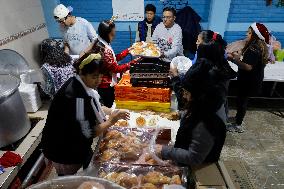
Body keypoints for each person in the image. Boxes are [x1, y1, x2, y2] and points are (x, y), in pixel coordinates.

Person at [41, 52, 130, 176]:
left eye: (101, 76)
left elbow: (94, 106)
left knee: (89, 161)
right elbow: (88, 133)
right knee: (69, 181)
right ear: (82, 72)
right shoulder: (76, 98)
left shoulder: (80, 84)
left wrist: (112, 112)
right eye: (94, 77)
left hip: (76, 143)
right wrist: (111, 121)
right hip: (64, 150)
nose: (98, 81)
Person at [154, 38, 230, 167]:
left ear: (199, 95)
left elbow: (194, 157)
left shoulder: (207, 121)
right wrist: (182, 114)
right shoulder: (206, 103)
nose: (183, 95)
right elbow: (194, 115)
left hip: (196, 166)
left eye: (187, 92)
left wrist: (164, 150)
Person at [227, 23, 269, 132]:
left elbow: (248, 67)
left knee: (242, 101)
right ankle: (238, 118)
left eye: (249, 33)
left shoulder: (254, 48)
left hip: (249, 81)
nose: (247, 34)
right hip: (252, 79)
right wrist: (237, 56)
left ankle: (238, 125)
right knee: (241, 101)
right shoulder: (258, 46)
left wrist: (233, 60)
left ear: (256, 35)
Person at [87, 20, 139, 108]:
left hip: (103, 83)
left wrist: (127, 51)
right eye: (113, 32)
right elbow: (115, 68)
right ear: (108, 33)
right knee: (109, 107)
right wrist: (132, 63)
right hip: (105, 85)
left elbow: (113, 59)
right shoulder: (104, 49)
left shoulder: (101, 43)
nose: (114, 35)